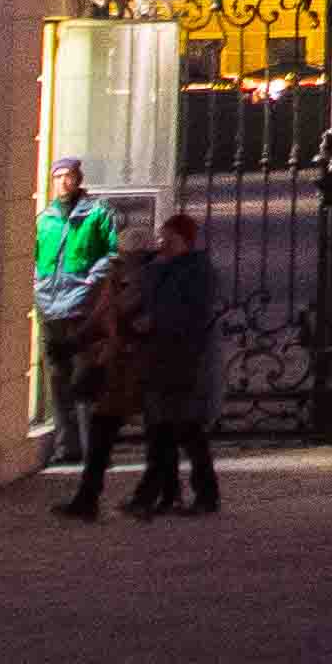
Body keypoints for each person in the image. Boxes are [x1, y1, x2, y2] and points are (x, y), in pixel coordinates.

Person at [126, 211, 222, 516]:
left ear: (184, 241)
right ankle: (164, 494)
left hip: (184, 358)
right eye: (163, 237)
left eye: (170, 237)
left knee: (184, 429)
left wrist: (155, 321)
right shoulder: (157, 269)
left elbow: (194, 315)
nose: (164, 242)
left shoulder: (196, 272)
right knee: (163, 430)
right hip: (159, 357)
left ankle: (194, 494)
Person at [54, 229, 153, 514]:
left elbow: (119, 317)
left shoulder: (143, 280)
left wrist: (84, 341)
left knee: (162, 433)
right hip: (119, 368)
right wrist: (78, 342)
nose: (124, 261)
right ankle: (91, 496)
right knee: (109, 429)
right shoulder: (122, 278)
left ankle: (101, 496)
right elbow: (103, 314)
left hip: (134, 367)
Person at [34, 160, 119, 465]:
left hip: (82, 308)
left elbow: (112, 252)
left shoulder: (97, 213)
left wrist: (90, 281)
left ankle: (92, 448)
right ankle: (66, 446)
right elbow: (30, 255)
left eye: (68, 176)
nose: (63, 183)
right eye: (57, 177)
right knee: (58, 381)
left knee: (86, 378)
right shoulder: (44, 219)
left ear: (78, 179)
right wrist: (38, 283)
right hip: (49, 307)